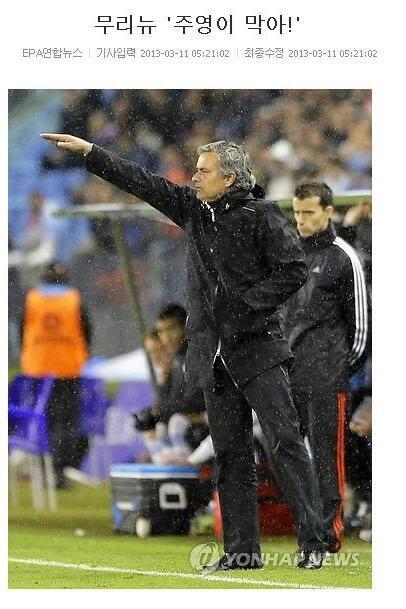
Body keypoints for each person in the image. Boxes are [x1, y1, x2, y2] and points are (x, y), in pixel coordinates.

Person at [40, 132, 325, 570]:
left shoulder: (262, 216)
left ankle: (313, 544)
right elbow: (143, 182)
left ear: (229, 178)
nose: (194, 177)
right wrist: (92, 154)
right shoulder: (193, 209)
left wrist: (247, 307)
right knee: (230, 456)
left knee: (285, 443)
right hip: (213, 356)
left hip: (259, 351)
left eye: (203, 171)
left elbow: (294, 270)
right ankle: (242, 553)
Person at [283, 182, 369, 553]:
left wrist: (337, 369)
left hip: (325, 378)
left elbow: (362, 328)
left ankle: (328, 535)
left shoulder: (344, 257)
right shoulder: (287, 252)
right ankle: (307, 529)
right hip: (287, 374)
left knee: (326, 459)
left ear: (328, 212)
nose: (300, 220)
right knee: (288, 456)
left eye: (308, 213)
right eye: (297, 212)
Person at [20, 262, 92, 489]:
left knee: (43, 418)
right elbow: (86, 332)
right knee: (66, 420)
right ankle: (60, 469)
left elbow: (22, 331)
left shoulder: (32, 299)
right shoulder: (73, 299)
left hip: (38, 368)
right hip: (67, 368)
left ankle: (43, 466)